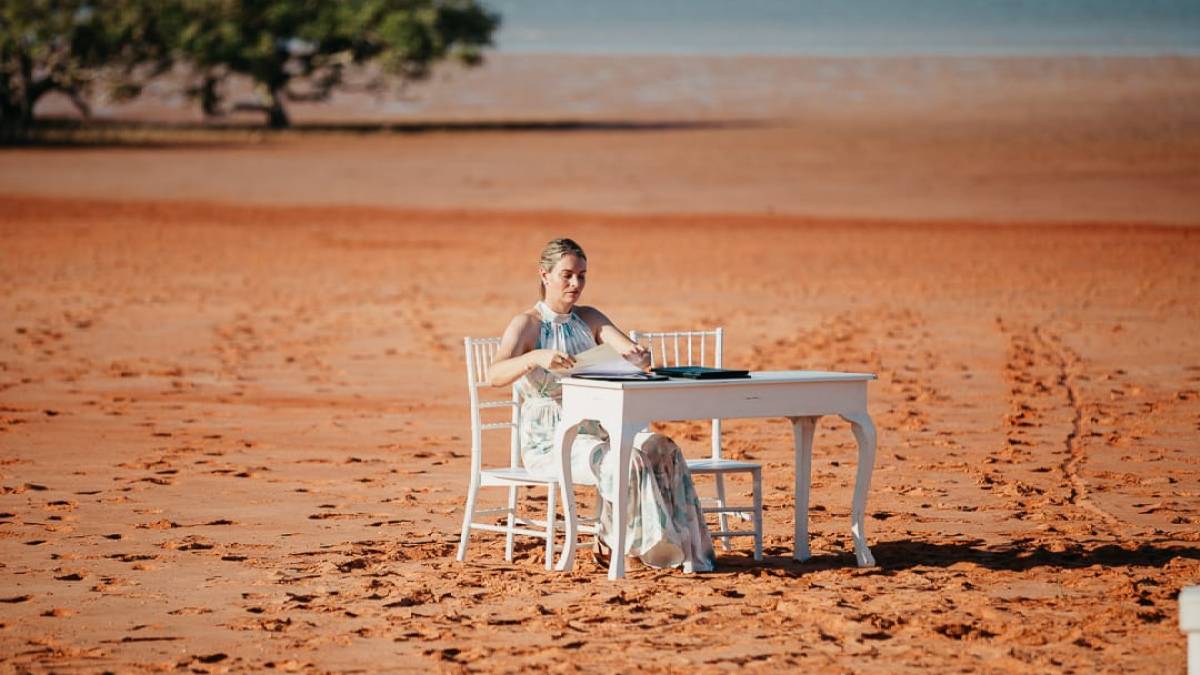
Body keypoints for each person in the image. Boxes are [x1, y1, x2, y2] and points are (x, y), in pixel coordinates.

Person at [487, 238, 716, 573]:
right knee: (626, 459)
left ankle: (680, 548)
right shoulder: (526, 324)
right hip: (551, 441)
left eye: (582, 275)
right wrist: (535, 356)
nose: (576, 284)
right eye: (566, 275)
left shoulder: (589, 318)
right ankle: (623, 548)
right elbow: (494, 374)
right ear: (544, 274)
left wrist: (639, 357)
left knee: (662, 447)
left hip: (602, 427)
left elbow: (627, 349)